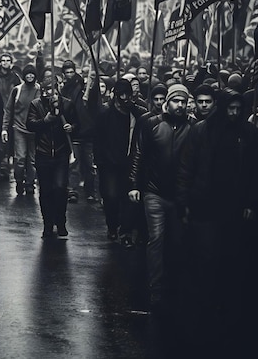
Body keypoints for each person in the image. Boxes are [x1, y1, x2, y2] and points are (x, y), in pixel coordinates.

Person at [176, 88, 258, 335]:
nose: (234, 113)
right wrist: (183, 201)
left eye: (238, 109)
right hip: (205, 204)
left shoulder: (248, 133)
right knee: (205, 256)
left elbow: (252, 172)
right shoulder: (202, 130)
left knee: (230, 257)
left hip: (234, 206)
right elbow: (186, 168)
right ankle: (204, 306)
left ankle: (225, 306)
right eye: (230, 108)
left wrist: (250, 203)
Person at [129, 83, 192, 311]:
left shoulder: (192, 127)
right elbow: (138, 154)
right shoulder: (151, 123)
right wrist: (135, 185)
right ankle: (156, 287)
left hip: (179, 196)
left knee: (176, 241)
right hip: (153, 191)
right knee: (156, 238)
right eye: (176, 101)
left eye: (184, 102)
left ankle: (173, 285)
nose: (180, 105)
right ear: (168, 102)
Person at [94, 78, 146, 244]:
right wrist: (99, 161)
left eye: (127, 95)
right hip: (109, 164)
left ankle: (126, 231)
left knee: (128, 199)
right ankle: (112, 225)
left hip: (129, 162)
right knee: (110, 196)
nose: (124, 99)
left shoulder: (136, 113)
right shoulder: (105, 113)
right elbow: (98, 139)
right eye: (121, 95)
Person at [26, 77, 78, 239]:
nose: (46, 93)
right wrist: (45, 121)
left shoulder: (67, 104)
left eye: (49, 89)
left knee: (60, 188)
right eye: (43, 90)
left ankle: (60, 221)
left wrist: (72, 127)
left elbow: (77, 123)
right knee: (46, 190)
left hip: (61, 153)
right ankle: (48, 224)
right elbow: (30, 124)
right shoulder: (36, 104)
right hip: (43, 152)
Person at [60, 60, 97, 203]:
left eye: (71, 72)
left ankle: (90, 191)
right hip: (74, 131)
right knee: (74, 164)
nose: (69, 75)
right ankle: (73, 190)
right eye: (67, 72)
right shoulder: (64, 90)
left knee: (89, 164)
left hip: (87, 130)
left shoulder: (83, 86)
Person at [1, 64, 40, 195]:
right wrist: (4, 128)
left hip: (35, 129)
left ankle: (30, 183)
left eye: (32, 74)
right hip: (19, 129)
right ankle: (19, 181)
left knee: (33, 160)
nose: (30, 76)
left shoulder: (39, 89)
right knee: (20, 158)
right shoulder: (17, 90)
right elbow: (8, 110)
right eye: (27, 74)